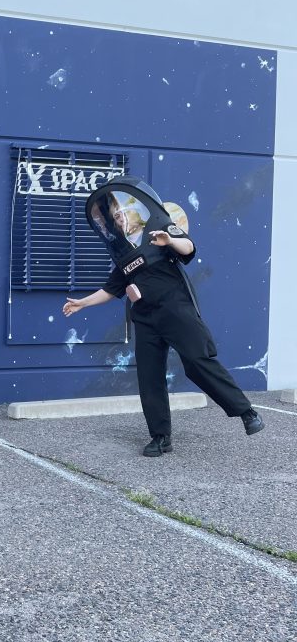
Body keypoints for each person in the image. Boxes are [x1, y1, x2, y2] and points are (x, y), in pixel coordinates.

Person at [63, 178, 264, 457]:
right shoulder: (123, 254)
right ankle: (160, 437)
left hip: (175, 309)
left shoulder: (157, 230)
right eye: (112, 217)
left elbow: (189, 249)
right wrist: (82, 303)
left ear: (130, 210)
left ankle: (247, 413)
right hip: (145, 319)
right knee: (150, 377)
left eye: (119, 213)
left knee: (197, 362)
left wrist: (171, 239)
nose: (117, 219)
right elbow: (110, 290)